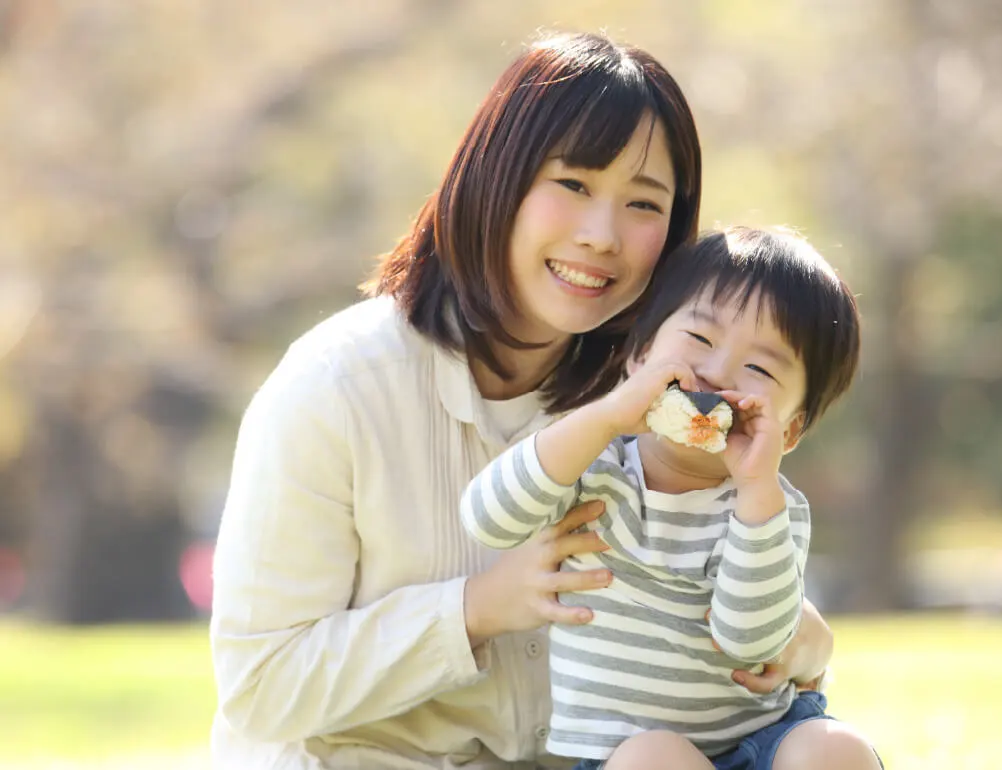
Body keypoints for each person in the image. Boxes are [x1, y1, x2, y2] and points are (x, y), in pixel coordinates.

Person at [209, 30, 836, 770]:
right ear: (494, 177)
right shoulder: (335, 388)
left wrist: (803, 634)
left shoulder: (660, 389)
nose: (601, 235)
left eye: (643, 203)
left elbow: (713, 559)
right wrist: (474, 611)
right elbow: (259, 687)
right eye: (572, 185)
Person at [461, 227, 883, 770]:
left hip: (762, 741)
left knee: (835, 748)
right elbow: (486, 520)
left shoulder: (771, 508)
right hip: (626, 755)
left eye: (759, 368)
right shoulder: (591, 464)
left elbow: (749, 640)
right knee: (654, 757)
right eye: (700, 340)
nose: (718, 371)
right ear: (638, 355)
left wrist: (756, 489)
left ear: (792, 429)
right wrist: (606, 415)